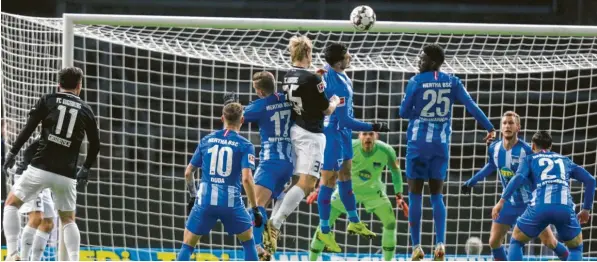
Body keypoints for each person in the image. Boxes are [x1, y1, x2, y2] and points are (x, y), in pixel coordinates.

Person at [399, 44, 495, 261]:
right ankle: (440, 243)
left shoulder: (415, 81)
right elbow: (471, 106)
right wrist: (490, 128)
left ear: (433, 62)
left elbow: (403, 112)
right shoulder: (453, 82)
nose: (418, 61)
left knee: (415, 195)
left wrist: (416, 110)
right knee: (436, 195)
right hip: (440, 146)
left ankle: (416, 247)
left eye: (422, 59)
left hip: (417, 145)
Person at [2, 67, 100, 261]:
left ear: (59, 84)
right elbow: (96, 144)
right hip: (66, 174)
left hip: (40, 167)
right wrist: (85, 169)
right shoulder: (86, 110)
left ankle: (13, 254)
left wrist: (12, 152)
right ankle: (74, 259)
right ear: (79, 86)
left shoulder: (48, 100)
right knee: (68, 220)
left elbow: (29, 129)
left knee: (11, 204)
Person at [262, 35, 340, 255]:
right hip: (311, 135)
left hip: (295, 130)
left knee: (296, 182)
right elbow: (326, 109)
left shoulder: (288, 75)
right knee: (307, 184)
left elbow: (306, 88)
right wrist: (334, 100)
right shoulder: (313, 80)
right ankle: (275, 224)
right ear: (307, 52)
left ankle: (273, 223)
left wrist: (317, 79)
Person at [461, 111, 569, 261]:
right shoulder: (494, 148)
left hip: (529, 204)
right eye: (504, 123)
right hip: (509, 203)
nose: (507, 126)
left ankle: (572, 258)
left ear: (518, 127)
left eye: (511, 123)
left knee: (549, 241)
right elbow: (492, 165)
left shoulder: (527, 150)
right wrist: (472, 181)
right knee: (494, 241)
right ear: (500, 127)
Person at [316, 42, 389, 252]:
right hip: (333, 134)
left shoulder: (334, 72)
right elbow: (346, 120)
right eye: (347, 54)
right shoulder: (337, 83)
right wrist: (373, 126)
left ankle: (354, 221)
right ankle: (324, 230)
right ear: (339, 60)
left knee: (346, 175)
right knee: (328, 181)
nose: (351, 56)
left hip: (343, 134)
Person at [177, 102, 261, 261]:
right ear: (242, 120)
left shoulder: (206, 140)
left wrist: (193, 196)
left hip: (205, 201)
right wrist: (255, 208)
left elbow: (188, 173)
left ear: (222, 118)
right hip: (231, 203)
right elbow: (246, 179)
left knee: (188, 243)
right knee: (248, 240)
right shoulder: (245, 145)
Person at [493, 131, 595, 261]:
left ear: (533, 146)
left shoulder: (529, 159)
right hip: (564, 208)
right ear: (550, 146)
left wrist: (502, 201)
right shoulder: (565, 160)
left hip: (539, 208)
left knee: (517, 241)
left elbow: (518, 177)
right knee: (575, 247)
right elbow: (591, 180)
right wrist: (586, 209)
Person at [307, 131, 407, 261]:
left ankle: (387, 260)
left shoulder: (386, 150)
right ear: (359, 136)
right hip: (348, 191)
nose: (367, 137)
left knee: (391, 223)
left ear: (376, 137)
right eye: (364, 134)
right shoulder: (349, 147)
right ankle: (312, 259)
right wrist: (319, 189)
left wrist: (399, 195)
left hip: (373, 192)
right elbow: (331, 167)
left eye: (371, 134)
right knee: (325, 222)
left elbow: (395, 171)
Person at [241, 71, 294, 260]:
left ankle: (258, 247)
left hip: (270, 162)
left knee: (255, 205)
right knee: (270, 203)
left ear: (261, 91)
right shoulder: (289, 99)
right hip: (290, 164)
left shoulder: (260, 105)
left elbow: (235, 117)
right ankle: (270, 231)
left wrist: (230, 103)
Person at [8, 137, 57, 261]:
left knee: (48, 223)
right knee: (36, 217)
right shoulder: (51, 136)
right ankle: (23, 258)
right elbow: (29, 153)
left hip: (44, 180)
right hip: (29, 175)